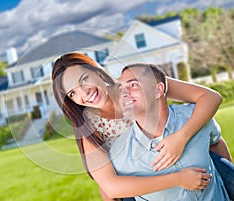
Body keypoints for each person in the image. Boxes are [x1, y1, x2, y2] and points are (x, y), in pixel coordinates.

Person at [51, 52, 232, 200]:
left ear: (96, 71)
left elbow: (210, 97)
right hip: (143, 181)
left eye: (84, 79)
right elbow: (111, 187)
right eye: (73, 93)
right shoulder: (88, 127)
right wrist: (178, 179)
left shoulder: (134, 83)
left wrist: (181, 137)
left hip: (185, 155)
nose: (84, 93)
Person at [109, 63, 230, 200]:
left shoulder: (195, 116)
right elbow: (110, 191)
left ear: (158, 90)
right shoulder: (119, 155)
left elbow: (216, 143)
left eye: (134, 85)